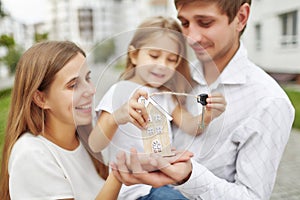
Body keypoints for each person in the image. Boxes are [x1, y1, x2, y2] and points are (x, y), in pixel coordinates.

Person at [111, 1, 295, 200]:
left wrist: (189, 176)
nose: (191, 38)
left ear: (241, 17)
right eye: (184, 23)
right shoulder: (177, 77)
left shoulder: (268, 101)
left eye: (205, 23)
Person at [88, 16, 226, 199]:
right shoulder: (119, 91)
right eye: (154, 55)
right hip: (132, 189)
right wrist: (118, 116)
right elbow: (95, 144)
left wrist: (207, 116)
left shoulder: (166, 96)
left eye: (171, 59)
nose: (162, 65)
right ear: (134, 54)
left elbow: (194, 128)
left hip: (164, 185)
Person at [0, 41, 122, 200]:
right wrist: (119, 176)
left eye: (88, 78)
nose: (91, 90)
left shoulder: (83, 137)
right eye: (73, 85)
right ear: (41, 98)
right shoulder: (31, 155)